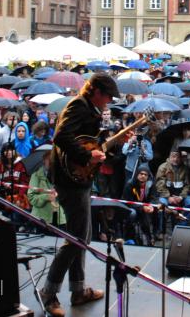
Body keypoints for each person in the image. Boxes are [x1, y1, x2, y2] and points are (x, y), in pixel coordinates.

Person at [42, 73, 125, 316]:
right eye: (108, 97)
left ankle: (78, 290)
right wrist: (87, 156)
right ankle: (49, 292)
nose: (109, 101)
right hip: (71, 178)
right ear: (97, 91)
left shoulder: (90, 108)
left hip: (80, 177)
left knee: (83, 237)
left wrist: (115, 142)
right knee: (77, 239)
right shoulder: (79, 105)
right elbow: (61, 136)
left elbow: (91, 142)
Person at [28, 150, 66, 228]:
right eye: (48, 159)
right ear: (44, 160)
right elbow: (31, 197)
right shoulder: (36, 176)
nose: (51, 161)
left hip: (60, 219)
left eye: (53, 159)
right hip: (41, 219)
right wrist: (46, 197)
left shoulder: (63, 176)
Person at [154, 150, 188, 235]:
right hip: (165, 196)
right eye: (173, 156)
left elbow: (187, 185)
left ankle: (180, 229)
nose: (176, 159)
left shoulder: (185, 169)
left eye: (178, 157)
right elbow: (159, 184)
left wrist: (181, 197)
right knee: (161, 207)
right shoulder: (163, 167)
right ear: (169, 157)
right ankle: (161, 231)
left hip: (179, 196)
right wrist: (168, 197)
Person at [122, 164, 156, 246]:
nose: (143, 176)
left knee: (156, 212)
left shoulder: (150, 185)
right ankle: (128, 236)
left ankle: (151, 237)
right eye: (141, 174)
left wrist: (151, 206)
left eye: (145, 174)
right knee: (133, 213)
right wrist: (142, 207)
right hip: (130, 207)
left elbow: (154, 197)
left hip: (145, 207)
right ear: (137, 174)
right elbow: (128, 202)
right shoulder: (130, 184)